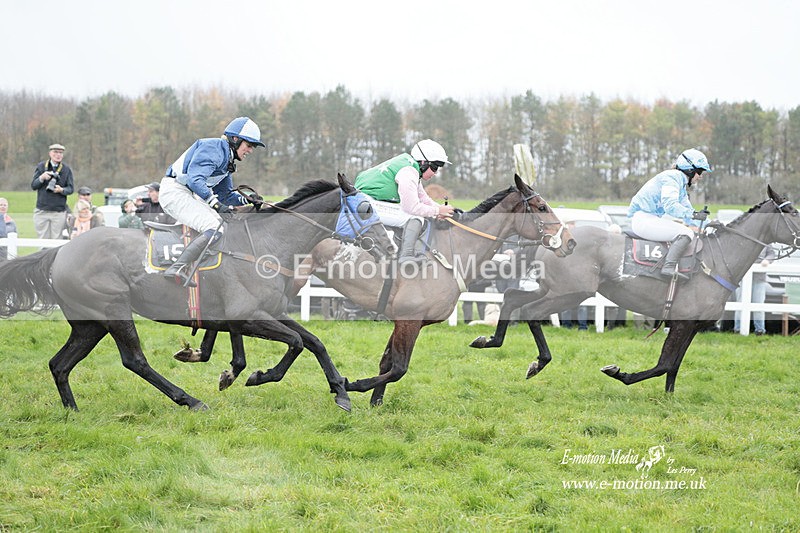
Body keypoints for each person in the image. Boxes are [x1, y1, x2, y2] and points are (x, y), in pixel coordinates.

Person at [160, 117, 265, 285]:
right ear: (235, 139)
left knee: (221, 225)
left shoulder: (227, 159)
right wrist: (215, 204)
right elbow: (196, 180)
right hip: (175, 191)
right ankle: (177, 267)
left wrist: (246, 199)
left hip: (188, 192)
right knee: (214, 228)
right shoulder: (213, 148)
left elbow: (225, 195)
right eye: (249, 145)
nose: (250, 150)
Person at [354, 139, 455, 263]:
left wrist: (440, 210)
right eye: (434, 167)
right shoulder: (409, 172)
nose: (435, 173)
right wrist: (437, 210)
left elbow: (423, 198)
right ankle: (406, 256)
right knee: (415, 218)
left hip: (366, 201)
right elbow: (411, 208)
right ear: (423, 162)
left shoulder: (411, 167)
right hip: (364, 204)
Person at [627, 148, 712, 280]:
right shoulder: (673, 177)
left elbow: (688, 213)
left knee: (686, 229)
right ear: (690, 170)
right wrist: (694, 214)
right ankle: (669, 267)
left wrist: (710, 223)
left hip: (647, 219)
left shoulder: (680, 185)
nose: (700, 176)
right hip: (644, 220)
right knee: (686, 233)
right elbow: (670, 205)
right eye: (699, 171)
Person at [31, 143, 74, 240]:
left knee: (56, 241)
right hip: (42, 210)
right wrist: (41, 178)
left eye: (60, 153)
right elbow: (33, 185)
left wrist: (61, 190)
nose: (58, 155)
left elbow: (70, 189)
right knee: (42, 241)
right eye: (55, 152)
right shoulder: (41, 166)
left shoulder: (66, 169)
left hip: (58, 212)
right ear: (50, 153)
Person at [734, 245, 777, 335]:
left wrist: (767, 260)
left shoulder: (766, 241)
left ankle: (760, 330)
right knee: (740, 303)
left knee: (758, 304)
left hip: (759, 278)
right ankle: (738, 329)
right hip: (742, 277)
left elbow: (771, 254)